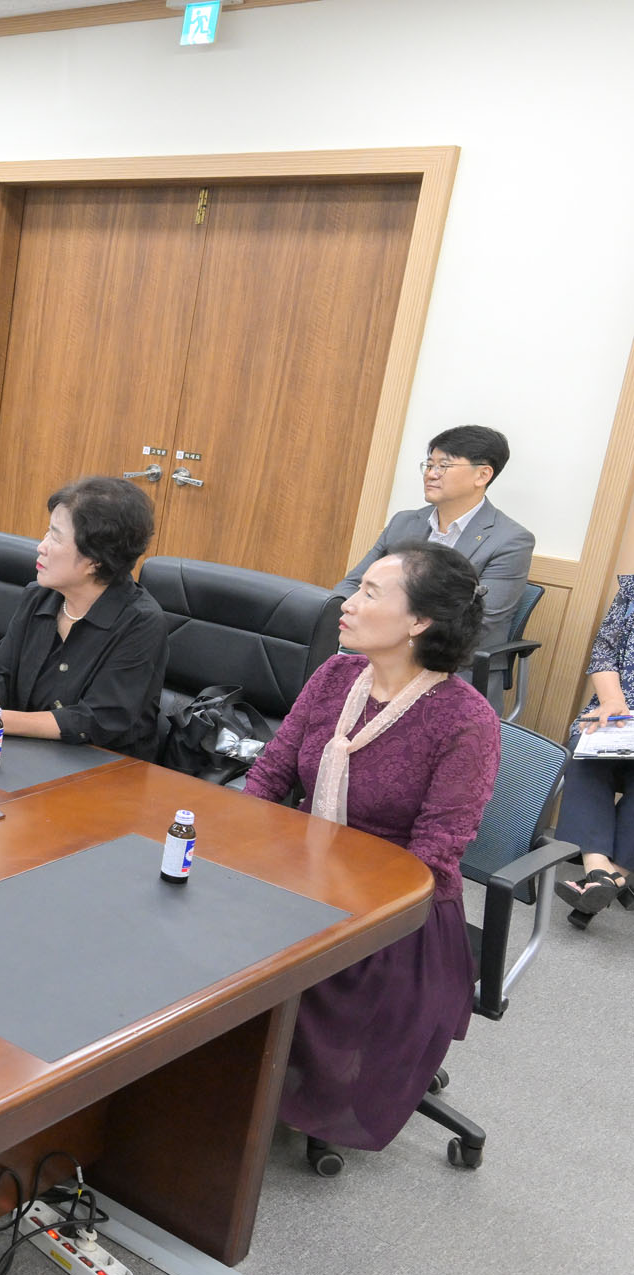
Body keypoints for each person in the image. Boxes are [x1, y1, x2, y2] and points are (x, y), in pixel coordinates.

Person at [243, 542, 498, 1161]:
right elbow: (270, 775)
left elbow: (434, 854)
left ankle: (279, 1094)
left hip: (395, 915)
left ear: (419, 622)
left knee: (274, 970)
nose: (348, 603)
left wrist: (327, 904)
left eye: (370, 594)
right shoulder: (335, 678)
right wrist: (238, 848)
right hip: (304, 873)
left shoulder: (465, 720)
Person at [0, 476, 167, 758]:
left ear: (95, 560)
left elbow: (98, 720)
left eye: (56, 537)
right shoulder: (39, 597)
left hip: (102, 767)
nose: (42, 546)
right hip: (24, 753)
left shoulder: (141, 621)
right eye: (47, 532)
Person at [338, 425, 535, 665]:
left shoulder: (510, 541)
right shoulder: (404, 523)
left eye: (443, 466)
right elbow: (351, 585)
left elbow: (479, 622)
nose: (431, 474)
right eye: (429, 465)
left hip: (450, 665)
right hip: (377, 650)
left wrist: (384, 634)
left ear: (482, 475)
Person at [551, 572, 634, 926]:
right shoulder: (632, 589)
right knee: (585, 749)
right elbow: (604, 651)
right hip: (621, 712)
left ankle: (605, 878)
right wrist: (613, 700)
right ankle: (604, 872)